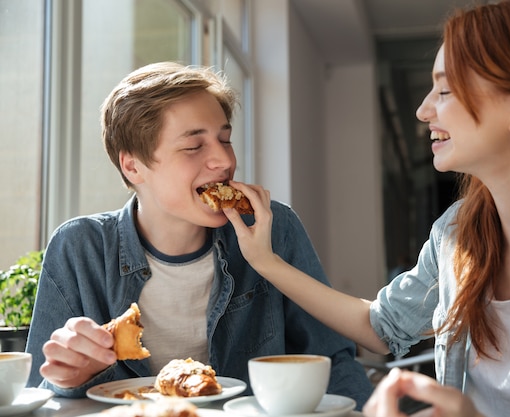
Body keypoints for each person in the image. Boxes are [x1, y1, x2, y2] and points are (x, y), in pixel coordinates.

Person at [223, 0, 510, 416]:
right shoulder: (456, 234)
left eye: (446, 90)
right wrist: (266, 262)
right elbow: (379, 327)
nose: (423, 110)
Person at [24, 62, 373, 408]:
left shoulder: (272, 227)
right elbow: (41, 392)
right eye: (194, 147)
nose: (223, 160)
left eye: (225, 139)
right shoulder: (79, 248)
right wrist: (73, 376)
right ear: (133, 166)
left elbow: (333, 362)